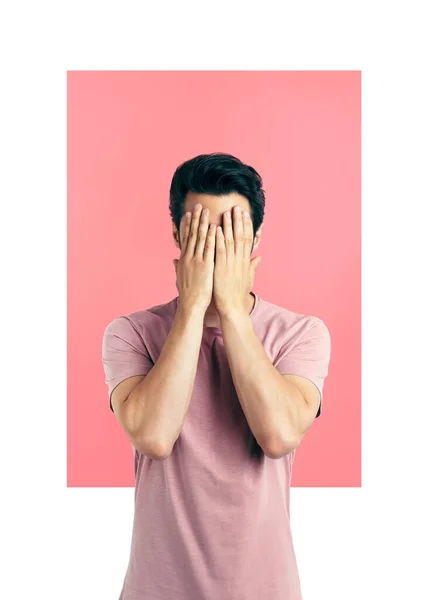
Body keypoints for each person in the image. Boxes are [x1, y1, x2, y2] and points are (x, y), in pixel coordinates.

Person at [101, 152, 331, 600]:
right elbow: (153, 436)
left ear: (256, 238)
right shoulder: (130, 333)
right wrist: (191, 308)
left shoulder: (302, 334)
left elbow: (280, 434)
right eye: (203, 231)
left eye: (231, 230)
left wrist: (230, 309)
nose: (218, 245)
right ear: (177, 235)